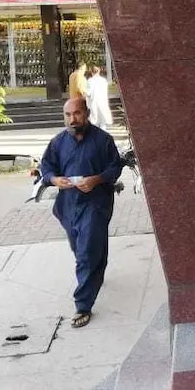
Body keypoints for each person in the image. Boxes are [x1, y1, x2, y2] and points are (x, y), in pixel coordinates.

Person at [39, 98, 123, 328]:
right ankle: (96, 272)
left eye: (76, 113)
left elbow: (115, 167)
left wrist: (96, 179)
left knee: (87, 251)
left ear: (86, 113)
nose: (72, 119)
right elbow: (46, 167)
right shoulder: (58, 142)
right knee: (80, 249)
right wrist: (55, 179)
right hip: (68, 204)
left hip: (95, 203)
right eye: (67, 115)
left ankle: (83, 305)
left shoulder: (102, 140)